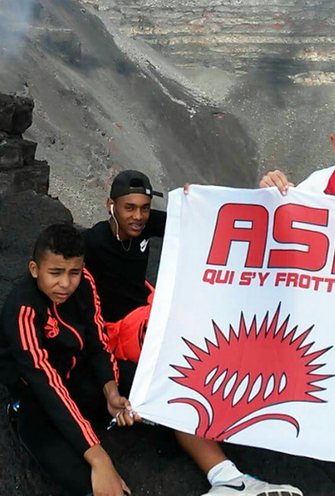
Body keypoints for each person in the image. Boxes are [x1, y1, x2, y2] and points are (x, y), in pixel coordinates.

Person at [83, 169, 303, 496]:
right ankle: (225, 477)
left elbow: (193, 219)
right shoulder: (94, 242)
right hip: (121, 328)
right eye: (130, 208)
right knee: (184, 365)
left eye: (144, 207)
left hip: (146, 303)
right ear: (110, 206)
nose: (139, 216)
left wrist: (199, 199)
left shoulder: (143, 223)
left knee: (211, 325)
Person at [0, 223, 137, 496]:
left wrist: (111, 389)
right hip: (35, 391)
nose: (66, 284)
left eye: (74, 272)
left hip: (74, 371)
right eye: (55, 273)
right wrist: (99, 458)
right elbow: (45, 382)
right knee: (75, 469)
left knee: (144, 386)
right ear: (35, 270)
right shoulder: (22, 309)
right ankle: (17, 412)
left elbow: (98, 342)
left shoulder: (86, 283)